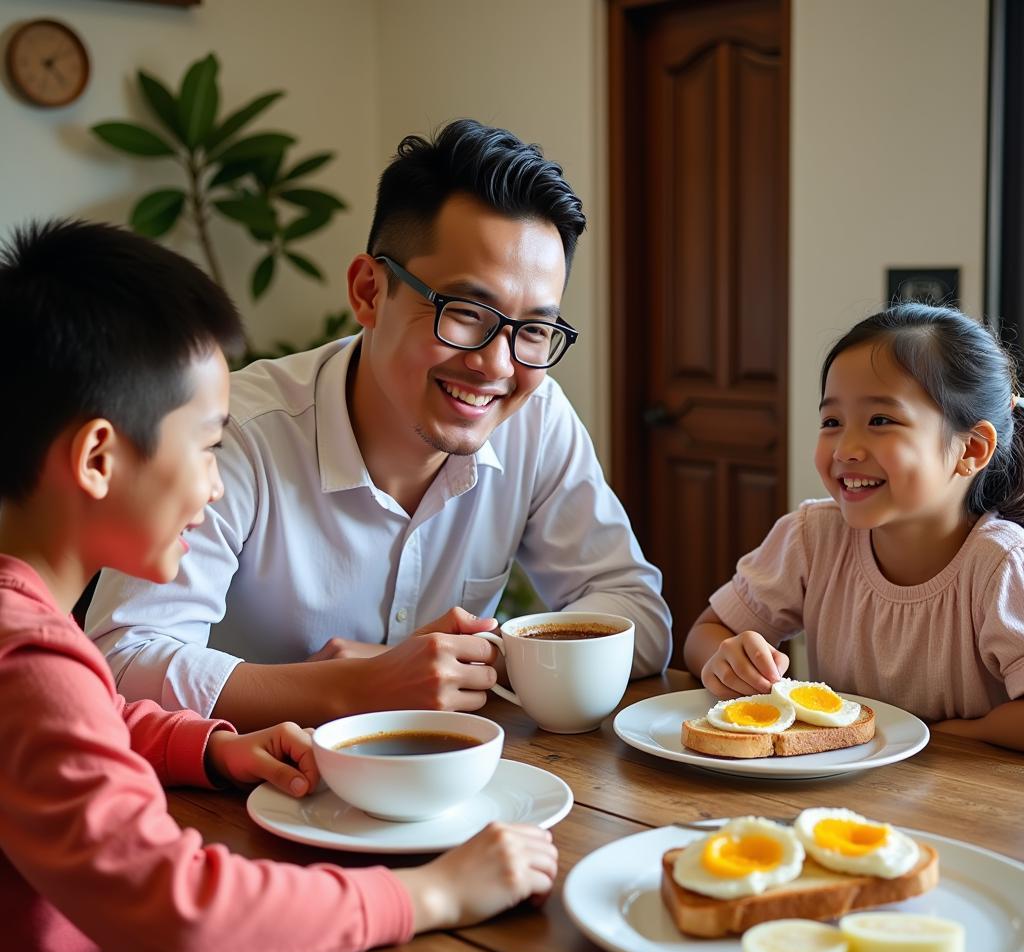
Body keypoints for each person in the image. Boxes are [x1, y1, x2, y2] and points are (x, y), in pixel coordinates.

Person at [0, 219, 558, 952]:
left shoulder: (26, 634)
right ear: (98, 459)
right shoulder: (29, 660)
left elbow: (91, 714)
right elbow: (181, 921)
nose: (216, 487)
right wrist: (430, 892)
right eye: (206, 448)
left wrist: (212, 748)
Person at [85, 119, 672, 732]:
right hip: (241, 793)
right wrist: (348, 688)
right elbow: (121, 661)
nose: (497, 365)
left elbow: (639, 616)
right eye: (466, 312)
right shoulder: (239, 433)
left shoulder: (537, 416)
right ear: (369, 291)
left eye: (532, 330)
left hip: (453, 783)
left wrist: (482, 658)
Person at [683, 302, 1024, 750]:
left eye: (880, 420)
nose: (845, 448)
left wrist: (934, 737)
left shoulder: (1001, 565)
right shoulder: (811, 535)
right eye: (831, 421)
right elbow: (704, 635)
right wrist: (729, 660)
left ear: (972, 450)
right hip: (833, 791)